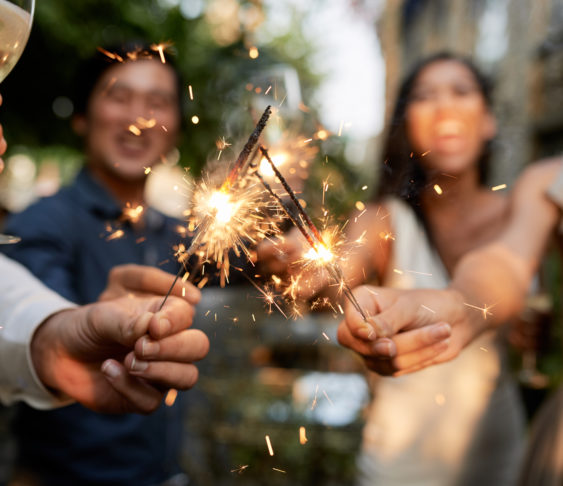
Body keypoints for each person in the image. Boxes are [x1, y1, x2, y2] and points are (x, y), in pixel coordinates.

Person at [1, 43, 201, 486]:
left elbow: (254, 262)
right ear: (81, 117)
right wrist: (72, 328)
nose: (139, 118)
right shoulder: (41, 223)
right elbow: (34, 316)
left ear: (176, 131)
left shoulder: (179, 234)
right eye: (118, 96)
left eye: (157, 102)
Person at [339, 157, 563, 486]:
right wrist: (456, 304)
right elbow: (508, 265)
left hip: (498, 438)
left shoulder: (509, 204)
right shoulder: (547, 179)